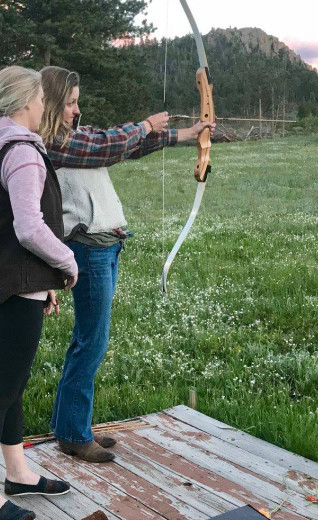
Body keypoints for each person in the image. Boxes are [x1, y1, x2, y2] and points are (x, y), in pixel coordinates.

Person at [38, 66, 215, 463]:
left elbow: (121, 147)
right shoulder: (51, 141)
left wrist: (187, 135)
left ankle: (71, 427)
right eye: (69, 102)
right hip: (88, 250)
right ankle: (73, 434)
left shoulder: (74, 138)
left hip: (105, 248)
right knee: (91, 342)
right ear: (50, 103)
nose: (76, 109)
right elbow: (104, 144)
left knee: (88, 340)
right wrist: (145, 124)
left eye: (77, 101)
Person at [0, 65, 78, 520]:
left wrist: (43, 285)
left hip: (6, 284)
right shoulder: (23, 152)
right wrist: (66, 264)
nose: (45, 106)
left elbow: (15, 231)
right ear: (25, 103)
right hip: (13, 287)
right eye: (41, 99)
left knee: (13, 382)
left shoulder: (0, 145)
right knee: (2, 388)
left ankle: (18, 474)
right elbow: (30, 228)